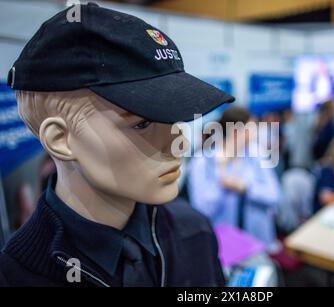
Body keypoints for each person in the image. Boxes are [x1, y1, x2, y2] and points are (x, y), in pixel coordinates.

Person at [0, 3, 235, 287]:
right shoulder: (15, 277)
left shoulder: (194, 231)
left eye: (173, 117)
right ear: (60, 139)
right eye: (141, 123)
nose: (180, 143)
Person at [188, 107, 281, 252]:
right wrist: (221, 172)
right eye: (252, 128)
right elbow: (203, 211)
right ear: (236, 131)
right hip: (224, 246)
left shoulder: (256, 154)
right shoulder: (202, 161)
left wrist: (245, 188)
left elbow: (274, 196)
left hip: (258, 240)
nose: (255, 133)